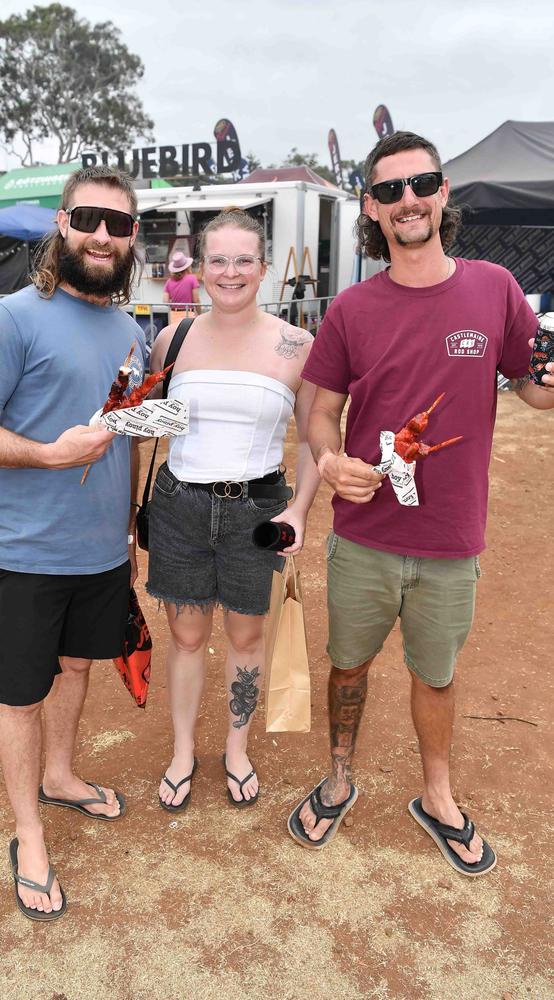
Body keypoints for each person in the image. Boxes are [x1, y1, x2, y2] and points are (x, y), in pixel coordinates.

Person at [289, 131, 554, 876]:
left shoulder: (494, 289)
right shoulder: (350, 309)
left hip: (450, 536)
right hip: (364, 534)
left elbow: (533, 386)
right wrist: (331, 460)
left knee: (435, 673)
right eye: (389, 191)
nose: (407, 200)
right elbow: (318, 411)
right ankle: (339, 776)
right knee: (349, 665)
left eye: (421, 184)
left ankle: (438, 794)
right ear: (371, 210)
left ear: (442, 194)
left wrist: (551, 380)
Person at [0, 165, 147, 920]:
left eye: (119, 225)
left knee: (74, 665)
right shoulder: (16, 317)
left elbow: (123, 437)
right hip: (26, 549)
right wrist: (46, 454)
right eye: (90, 219)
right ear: (63, 224)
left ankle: (60, 777)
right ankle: (28, 832)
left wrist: (126, 531)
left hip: (99, 551)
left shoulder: (131, 329)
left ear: (132, 240)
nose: (102, 235)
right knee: (23, 691)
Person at [147, 208, 320, 811]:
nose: (229, 271)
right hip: (179, 505)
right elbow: (150, 422)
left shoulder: (297, 346)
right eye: (217, 259)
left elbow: (317, 442)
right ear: (198, 268)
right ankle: (182, 750)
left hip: (257, 512)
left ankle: (237, 748)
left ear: (264, 268)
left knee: (247, 638)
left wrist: (298, 511)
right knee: (185, 635)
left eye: (243, 259)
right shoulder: (174, 339)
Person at [163, 249, 201, 320]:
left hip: (173, 315)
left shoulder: (169, 281)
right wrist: (199, 313)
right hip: (188, 315)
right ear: (187, 266)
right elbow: (196, 300)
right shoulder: (192, 278)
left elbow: (165, 301)